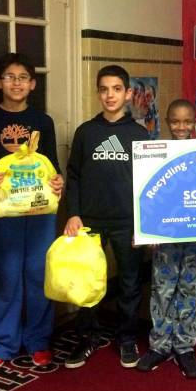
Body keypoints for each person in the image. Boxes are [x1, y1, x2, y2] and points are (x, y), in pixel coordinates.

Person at [0, 53, 64, 372]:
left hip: (40, 212)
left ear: (32, 84)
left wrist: (58, 181)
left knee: (38, 275)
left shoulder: (43, 122)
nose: (16, 83)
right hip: (5, 211)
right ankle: (3, 344)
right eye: (10, 77)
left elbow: (52, 165)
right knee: (7, 276)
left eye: (23, 78)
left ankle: (39, 341)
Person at [63, 64, 149, 368]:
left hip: (128, 223)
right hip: (90, 221)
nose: (109, 95)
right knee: (87, 282)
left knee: (129, 282)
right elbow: (73, 176)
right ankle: (88, 337)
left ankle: (126, 338)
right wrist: (73, 213)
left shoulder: (140, 134)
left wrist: (144, 225)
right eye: (104, 89)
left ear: (128, 93)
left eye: (116, 89)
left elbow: (148, 184)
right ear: (98, 93)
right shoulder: (86, 132)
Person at [137, 99, 196, 379]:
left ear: (195, 122)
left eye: (187, 121)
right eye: (175, 121)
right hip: (164, 235)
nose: (181, 126)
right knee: (162, 290)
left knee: (190, 289)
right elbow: (147, 193)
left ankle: (185, 346)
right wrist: (147, 229)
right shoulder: (155, 154)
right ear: (167, 122)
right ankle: (159, 345)